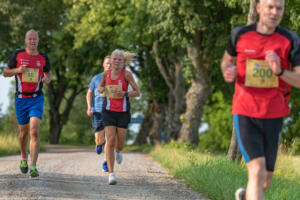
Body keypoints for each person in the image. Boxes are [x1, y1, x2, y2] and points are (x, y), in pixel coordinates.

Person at [221, 0, 300, 199]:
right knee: (256, 170)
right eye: (270, 7)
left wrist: (280, 71)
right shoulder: (240, 35)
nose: (274, 12)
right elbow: (226, 61)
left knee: (265, 179)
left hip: (274, 114)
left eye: (279, 8)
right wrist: (227, 72)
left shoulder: (289, 40)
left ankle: (246, 196)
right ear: (258, 8)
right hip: (245, 111)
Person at [3, 29, 52, 178]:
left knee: (34, 130)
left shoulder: (43, 57)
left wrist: (47, 79)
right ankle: (24, 157)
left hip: (36, 98)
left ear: (38, 40)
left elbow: (48, 73)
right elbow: (5, 72)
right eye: (30, 39)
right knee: (23, 132)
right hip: (20, 99)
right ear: (26, 40)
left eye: (35, 39)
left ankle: (33, 166)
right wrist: (18, 70)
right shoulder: (18, 55)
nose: (32, 41)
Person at [98, 49, 140, 185]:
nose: (116, 62)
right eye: (114, 59)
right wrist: (101, 89)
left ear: (123, 62)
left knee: (120, 142)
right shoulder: (106, 74)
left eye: (119, 60)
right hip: (108, 110)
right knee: (109, 140)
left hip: (123, 111)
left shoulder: (127, 75)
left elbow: (137, 92)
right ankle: (111, 174)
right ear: (111, 61)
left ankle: (119, 150)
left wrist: (125, 93)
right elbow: (100, 87)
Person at [86, 56, 117, 172]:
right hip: (98, 111)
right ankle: (98, 144)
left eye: (111, 63)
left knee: (110, 139)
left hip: (112, 111)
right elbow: (89, 93)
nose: (109, 65)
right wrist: (89, 107)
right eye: (107, 63)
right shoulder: (96, 78)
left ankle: (106, 162)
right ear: (103, 65)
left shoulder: (117, 78)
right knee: (99, 138)